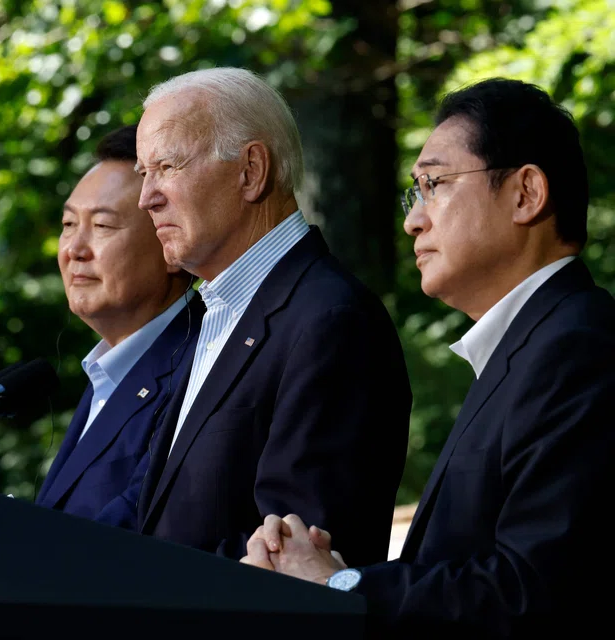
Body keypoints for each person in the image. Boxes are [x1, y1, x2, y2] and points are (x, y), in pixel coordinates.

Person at [242, 78, 615, 637]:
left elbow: (531, 591)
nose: (413, 220)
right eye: (412, 194)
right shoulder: (530, 346)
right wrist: (328, 571)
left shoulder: (577, 346)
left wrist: (342, 587)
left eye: (433, 184)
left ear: (526, 194)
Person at [133, 68, 412, 562]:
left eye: (167, 167)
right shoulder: (214, 314)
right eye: (143, 173)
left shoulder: (331, 321)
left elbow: (295, 557)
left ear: (251, 171)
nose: (146, 197)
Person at [36, 125, 203, 529]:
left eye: (104, 226)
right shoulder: (106, 371)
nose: (74, 250)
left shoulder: (203, 364)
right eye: (69, 224)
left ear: (171, 244)